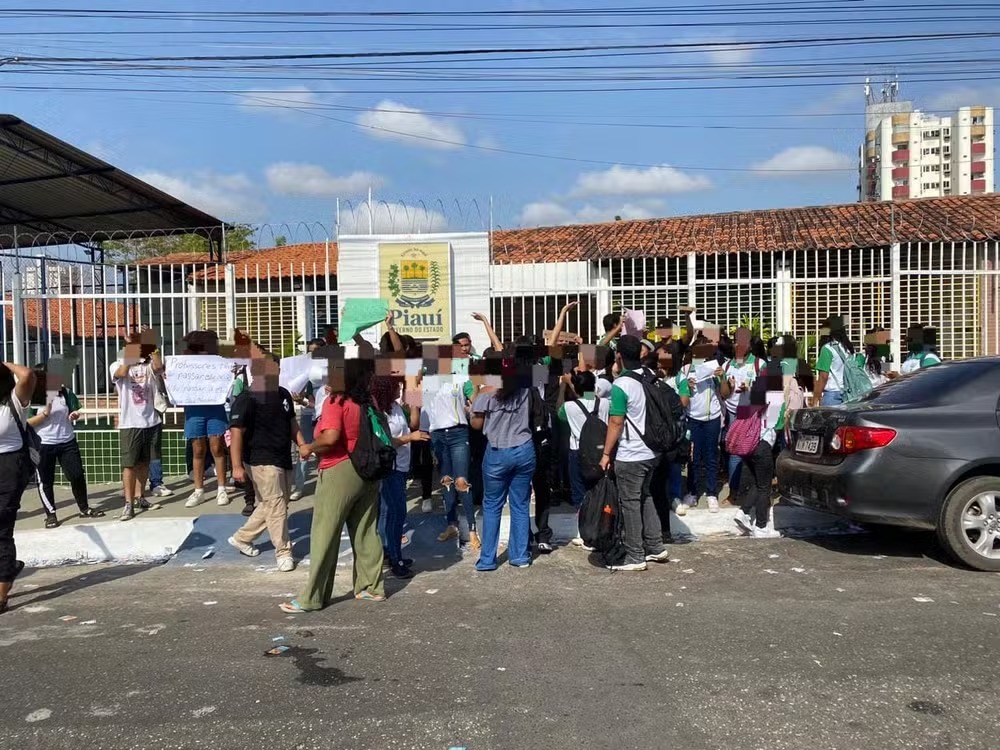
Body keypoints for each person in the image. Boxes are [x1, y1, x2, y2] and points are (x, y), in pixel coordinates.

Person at [280, 359, 386, 613]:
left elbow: (330, 437)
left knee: (324, 533)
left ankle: (313, 597)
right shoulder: (367, 402)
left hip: (339, 468)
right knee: (366, 530)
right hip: (368, 469)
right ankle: (372, 587)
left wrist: (308, 447)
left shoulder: (335, 402)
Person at [226, 352, 305, 572]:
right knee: (277, 503)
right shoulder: (247, 399)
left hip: (283, 457)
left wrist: (302, 444)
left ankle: (242, 537)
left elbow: (291, 423)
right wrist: (236, 466)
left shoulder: (283, 395)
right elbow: (236, 432)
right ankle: (284, 552)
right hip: (260, 459)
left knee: (274, 503)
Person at [598, 335, 671, 572]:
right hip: (652, 451)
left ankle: (635, 555)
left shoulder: (621, 385)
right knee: (645, 496)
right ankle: (655, 546)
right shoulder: (648, 376)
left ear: (619, 356)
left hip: (631, 455)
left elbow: (616, 422)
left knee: (630, 503)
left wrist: (606, 453)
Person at [470, 346, 538, 571]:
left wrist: (474, 401)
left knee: (492, 506)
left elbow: (477, 425)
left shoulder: (485, 393)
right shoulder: (524, 388)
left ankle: (488, 559)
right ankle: (519, 556)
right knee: (520, 505)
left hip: (498, 452)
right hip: (524, 449)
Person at [424, 343, 479, 552]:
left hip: (458, 434)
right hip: (437, 435)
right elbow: (416, 405)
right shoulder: (427, 381)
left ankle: (472, 530)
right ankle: (452, 525)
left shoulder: (461, 378)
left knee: (462, 482)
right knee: (445, 482)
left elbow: (474, 399)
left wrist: (474, 391)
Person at [372, 374, 428, 579]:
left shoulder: (396, 407)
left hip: (401, 466)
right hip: (390, 468)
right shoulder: (378, 413)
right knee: (396, 513)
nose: (400, 389)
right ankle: (396, 559)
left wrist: (414, 402)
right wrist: (409, 438)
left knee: (389, 513)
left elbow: (414, 422)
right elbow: (384, 442)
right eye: (397, 387)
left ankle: (388, 551)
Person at [28, 373, 102, 527]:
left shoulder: (66, 393)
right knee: (46, 480)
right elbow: (28, 423)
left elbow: (74, 410)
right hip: (44, 444)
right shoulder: (31, 396)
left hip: (67, 441)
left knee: (77, 475)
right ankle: (51, 514)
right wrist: (45, 414)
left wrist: (74, 414)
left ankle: (84, 508)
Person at [110, 333, 164, 521]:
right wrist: (131, 345)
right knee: (130, 465)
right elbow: (122, 373)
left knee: (145, 462)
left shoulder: (147, 365)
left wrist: (151, 343)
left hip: (151, 421)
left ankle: (141, 497)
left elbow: (158, 366)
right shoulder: (117, 365)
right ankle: (128, 503)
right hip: (130, 422)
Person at [733, 361, 786, 539]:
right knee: (765, 487)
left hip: (747, 445)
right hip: (763, 444)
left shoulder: (751, 392)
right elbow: (778, 424)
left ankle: (744, 512)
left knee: (757, 482)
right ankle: (761, 526)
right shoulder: (776, 395)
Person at [557, 368, 609, 546]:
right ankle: (603, 528)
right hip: (600, 452)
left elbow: (559, 413)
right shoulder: (604, 404)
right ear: (594, 386)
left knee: (580, 494)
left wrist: (565, 386)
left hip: (577, 452)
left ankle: (584, 532)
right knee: (600, 491)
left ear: (576, 388)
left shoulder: (569, 407)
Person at [0, 361, 37, 614]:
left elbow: (27, 375)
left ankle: (1, 595)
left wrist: (3, 363)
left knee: (1, 529)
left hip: (10, 468)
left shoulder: (14, 401)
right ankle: (10, 567)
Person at [181, 330, 232, 509]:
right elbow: (175, 379)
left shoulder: (219, 362)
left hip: (215, 408)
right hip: (194, 410)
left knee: (218, 447)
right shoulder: (185, 363)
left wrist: (231, 372)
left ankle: (221, 488)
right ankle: (198, 490)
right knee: (197, 449)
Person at [677, 343, 730, 513]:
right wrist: (687, 386)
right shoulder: (685, 370)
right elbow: (679, 393)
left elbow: (725, 393)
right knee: (693, 457)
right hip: (693, 419)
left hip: (712, 419)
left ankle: (712, 492)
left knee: (711, 456)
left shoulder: (714, 368)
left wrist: (722, 378)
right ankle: (692, 492)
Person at [291, 337, 326, 501]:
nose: (312, 355)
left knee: (322, 450)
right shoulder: (304, 371)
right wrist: (300, 399)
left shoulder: (331, 370)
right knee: (303, 449)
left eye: (316, 351)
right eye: (310, 351)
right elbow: (304, 395)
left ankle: (324, 483)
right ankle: (298, 487)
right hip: (307, 414)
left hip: (324, 414)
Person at [813, 318, 864, 406]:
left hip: (832, 394)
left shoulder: (827, 349)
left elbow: (823, 376)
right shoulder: (848, 348)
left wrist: (816, 397)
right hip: (849, 393)